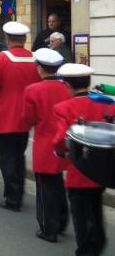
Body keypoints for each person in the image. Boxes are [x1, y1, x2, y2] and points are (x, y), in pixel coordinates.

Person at [53, 63, 115, 256]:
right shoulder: (107, 104)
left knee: (81, 214)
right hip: (103, 170)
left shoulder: (63, 107)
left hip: (78, 170)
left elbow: (60, 139)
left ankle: (88, 249)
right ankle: (98, 242)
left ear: (68, 85)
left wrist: (60, 152)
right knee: (96, 207)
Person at [0, 21, 40, 210]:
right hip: (26, 118)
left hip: (5, 116)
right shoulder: (35, 59)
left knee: (7, 158)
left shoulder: (1, 59)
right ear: (24, 39)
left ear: (7, 39)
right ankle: (19, 191)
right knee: (18, 155)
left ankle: (12, 197)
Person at [21, 48, 70, 243]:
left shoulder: (32, 90)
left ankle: (48, 228)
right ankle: (62, 221)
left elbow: (28, 119)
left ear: (40, 68)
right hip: (63, 143)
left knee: (44, 188)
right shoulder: (66, 88)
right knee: (58, 184)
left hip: (43, 144)